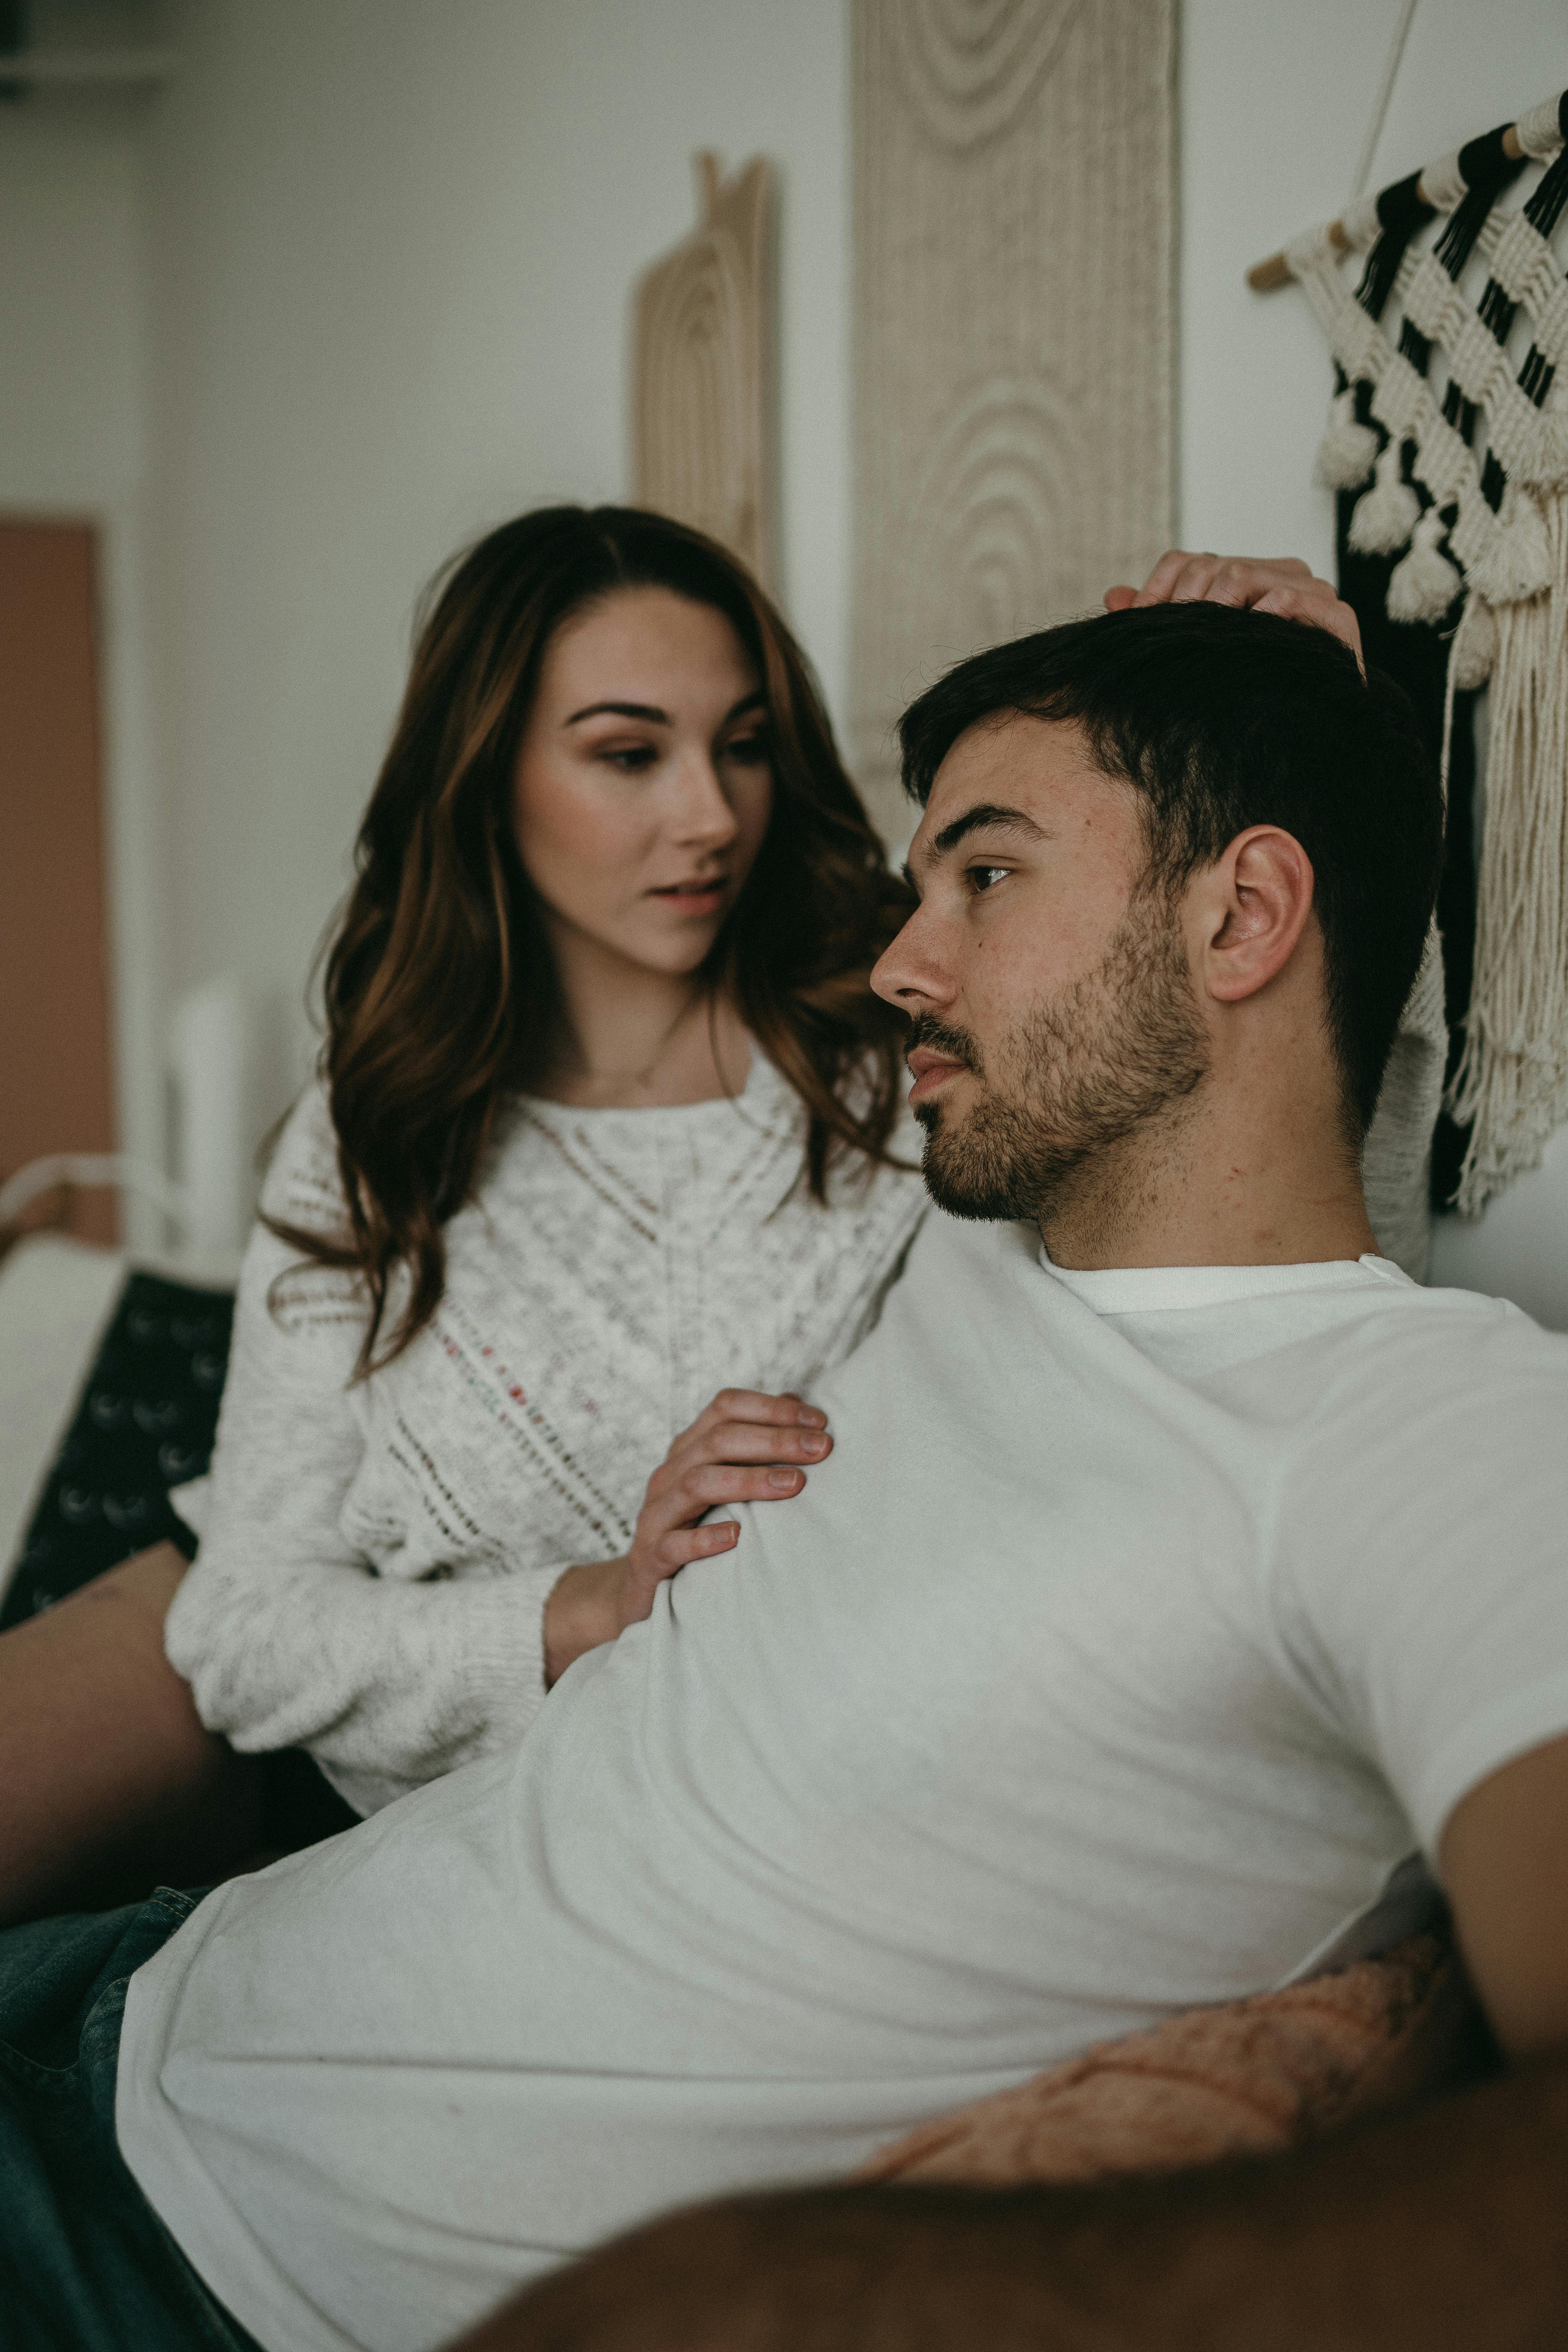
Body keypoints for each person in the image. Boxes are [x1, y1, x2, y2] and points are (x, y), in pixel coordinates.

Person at [12, 571, 1553, 2352]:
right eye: (919, 886)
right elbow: (1219, 1005)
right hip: (155, 1978)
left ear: (1247, 915)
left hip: (190, 2274)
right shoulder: (984, 1225)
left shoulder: (1428, 1439)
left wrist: (816, 2295)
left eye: (979, 876)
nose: (900, 959)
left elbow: (1281, 1082)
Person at [0, 504, 927, 1915]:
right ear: (487, 775)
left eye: (743, 745)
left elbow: (1273, 1255)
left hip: (658, 1763)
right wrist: (590, 1604)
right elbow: (248, 1621)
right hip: (321, 1652)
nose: (710, 816)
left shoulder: (890, 1086)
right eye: (629, 754)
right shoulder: (377, 1121)